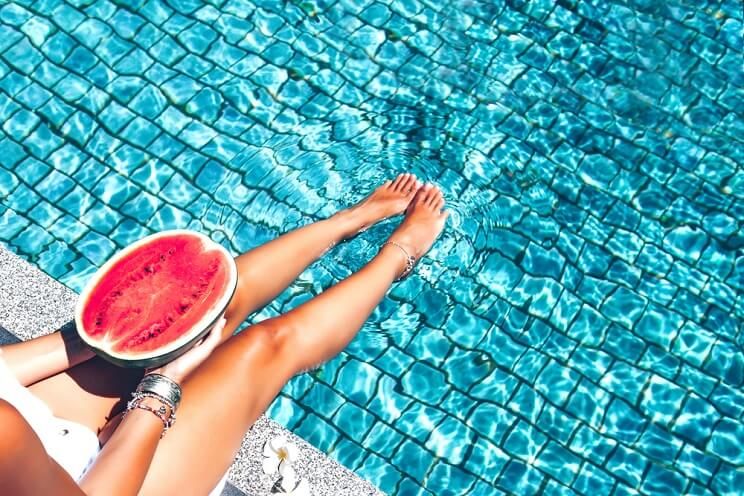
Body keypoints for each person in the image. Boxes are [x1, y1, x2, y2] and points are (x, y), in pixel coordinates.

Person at [0, 174, 448, 495]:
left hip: (30, 434)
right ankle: (399, 254)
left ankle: (349, 220)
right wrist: (161, 388)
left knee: (204, 309)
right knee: (263, 349)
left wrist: (89, 341)